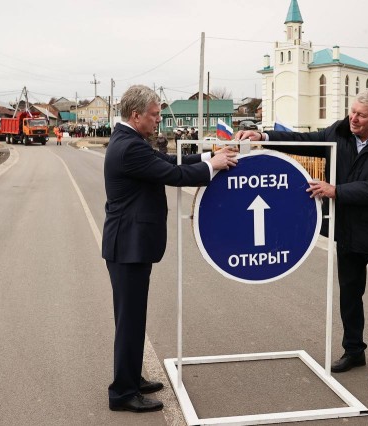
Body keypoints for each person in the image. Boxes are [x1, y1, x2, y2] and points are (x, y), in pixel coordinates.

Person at [236, 90, 368, 388]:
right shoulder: (340, 132)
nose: (353, 118)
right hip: (347, 230)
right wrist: (262, 136)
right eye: (352, 111)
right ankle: (353, 351)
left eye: (361, 115)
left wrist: (338, 191)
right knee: (349, 296)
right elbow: (305, 141)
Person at [103, 85, 237, 413]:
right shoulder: (129, 148)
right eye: (154, 115)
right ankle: (122, 392)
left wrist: (211, 156)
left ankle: (132, 378)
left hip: (131, 244)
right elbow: (173, 173)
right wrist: (213, 166)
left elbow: (167, 159)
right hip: (127, 246)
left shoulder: (131, 141)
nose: (158, 120)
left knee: (133, 317)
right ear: (136, 115)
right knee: (130, 321)